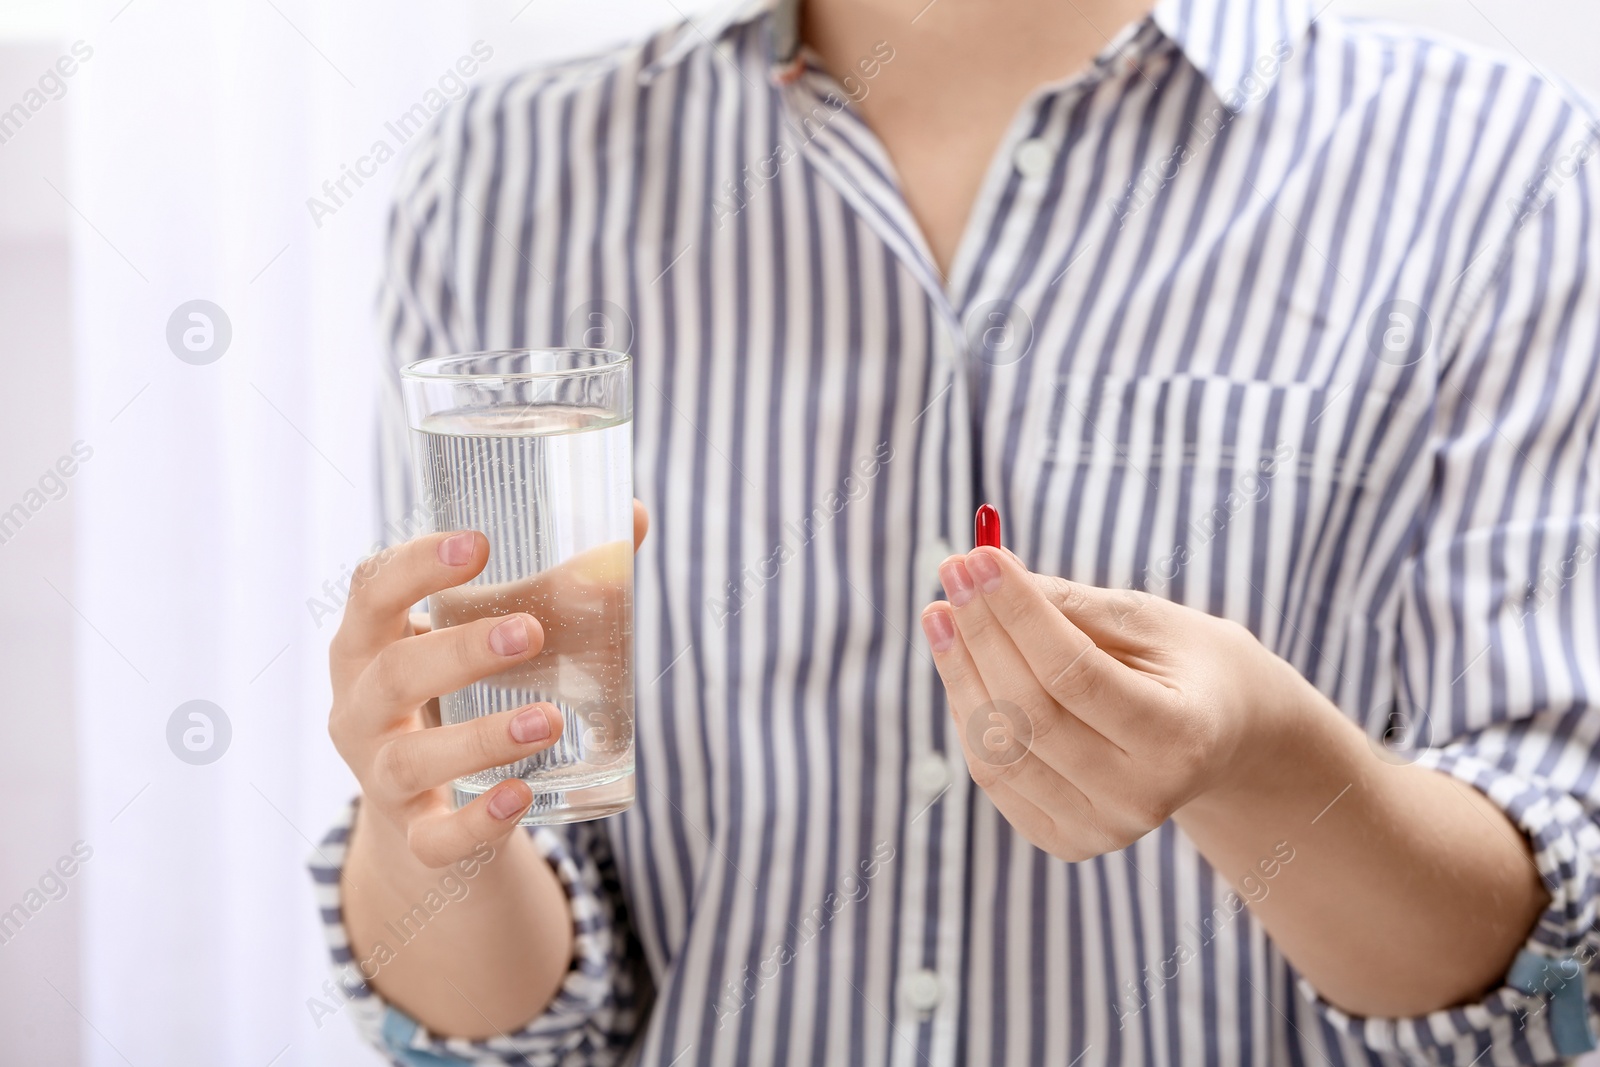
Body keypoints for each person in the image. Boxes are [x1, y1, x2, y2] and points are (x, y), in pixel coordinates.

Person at [312, 0, 1600, 1062]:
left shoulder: (1494, 169)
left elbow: (1542, 971)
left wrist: (1261, 760)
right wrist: (422, 811)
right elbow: (515, 1017)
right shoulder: (504, 174)